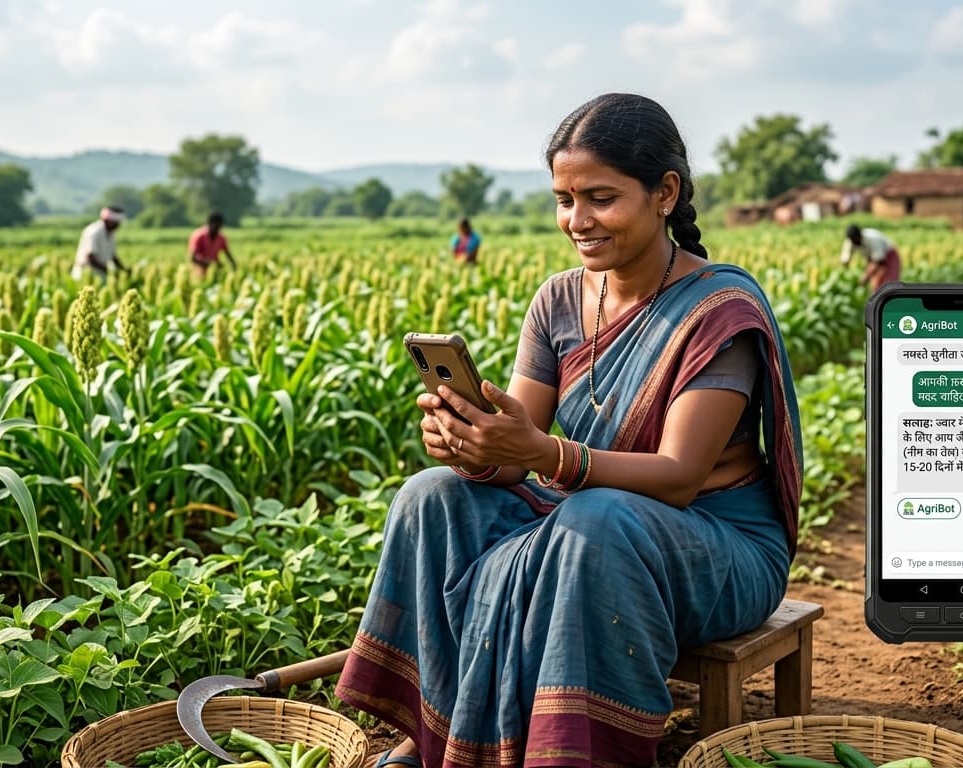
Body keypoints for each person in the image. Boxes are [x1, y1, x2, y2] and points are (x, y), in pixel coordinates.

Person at [337, 93, 803, 768]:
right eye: (564, 200)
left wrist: (542, 451)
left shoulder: (718, 310)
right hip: (588, 516)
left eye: (600, 199)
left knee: (597, 518)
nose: (577, 221)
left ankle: (569, 754)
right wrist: (474, 445)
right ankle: (441, 736)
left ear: (665, 193)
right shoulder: (558, 298)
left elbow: (678, 478)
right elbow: (516, 452)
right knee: (431, 495)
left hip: (716, 546)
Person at [72, 206, 129, 280]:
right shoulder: (94, 232)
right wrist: (109, 271)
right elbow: (90, 258)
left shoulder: (110, 234)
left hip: (99, 275)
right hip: (85, 274)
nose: (118, 226)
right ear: (109, 221)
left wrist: (124, 270)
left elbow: (113, 256)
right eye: (116, 223)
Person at [841, 223, 900, 293]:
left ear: (859, 235)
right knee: (875, 286)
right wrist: (848, 274)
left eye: (856, 239)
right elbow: (845, 260)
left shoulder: (872, 238)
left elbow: (878, 262)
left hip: (889, 255)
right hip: (873, 259)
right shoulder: (850, 242)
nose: (855, 242)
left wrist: (865, 277)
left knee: (889, 284)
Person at [188, 211, 238, 278]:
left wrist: (234, 266)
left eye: (220, 226)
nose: (218, 229)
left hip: (214, 273)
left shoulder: (221, 237)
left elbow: (228, 254)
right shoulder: (198, 236)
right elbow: (193, 258)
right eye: (217, 226)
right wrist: (210, 264)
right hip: (198, 273)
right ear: (210, 223)